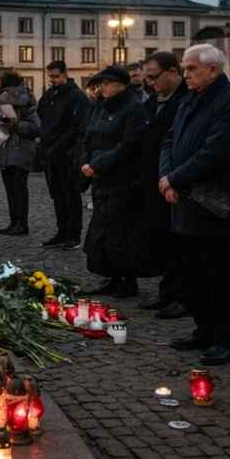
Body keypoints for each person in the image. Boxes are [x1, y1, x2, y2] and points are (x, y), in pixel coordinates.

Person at [159, 44, 230, 366]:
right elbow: (170, 140)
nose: (185, 75)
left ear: (213, 70)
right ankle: (203, 330)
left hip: (215, 203)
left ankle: (226, 340)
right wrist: (167, 176)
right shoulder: (190, 99)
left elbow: (218, 151)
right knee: (194, 273)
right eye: (184, 69)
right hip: (185, 200)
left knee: (220, 276)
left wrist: (175, 179)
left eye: (191, 69)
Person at [79, 66, 148, 298]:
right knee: (104, 232)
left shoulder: (134, 109)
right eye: (102, 83)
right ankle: (113, 277)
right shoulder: (100, 106)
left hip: (123, 179)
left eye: (108, 83)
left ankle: (127, 281)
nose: (104, 87)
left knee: (122, 233)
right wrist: (86, 162)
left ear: (121, 84)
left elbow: (129, 145)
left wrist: (98, 164)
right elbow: (88, 136)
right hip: (101, 179)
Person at [137, 52, 190, 318]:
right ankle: (168, 292)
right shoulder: (153, 101)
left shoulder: (184, 100)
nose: (150, 83)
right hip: (154, 179)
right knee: (163, 239)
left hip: (175, 180)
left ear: (172, 72)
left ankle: (183, 295)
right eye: (147, 78)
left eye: (154, 77)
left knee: (178, 242)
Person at [37, 60, 89, 249]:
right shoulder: (50, 94)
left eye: (56, 76)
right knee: (57, 195)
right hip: (51, 154)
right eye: (50, 76)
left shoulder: (76, 96)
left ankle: (74, 235)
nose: (53, 80)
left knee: (71, 195)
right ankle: (62, 231)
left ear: (65, 74)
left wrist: (59, 146)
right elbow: (42, 115)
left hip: (68, 155)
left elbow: (77, 127)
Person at [0, 72, 41, 236]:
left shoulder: (27, 103)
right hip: (4, 148)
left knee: (19, 189)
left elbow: (36, 127)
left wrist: (17, 125)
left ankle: (22, 224)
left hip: (20, 149)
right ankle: (14, 222)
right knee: (11, 190)